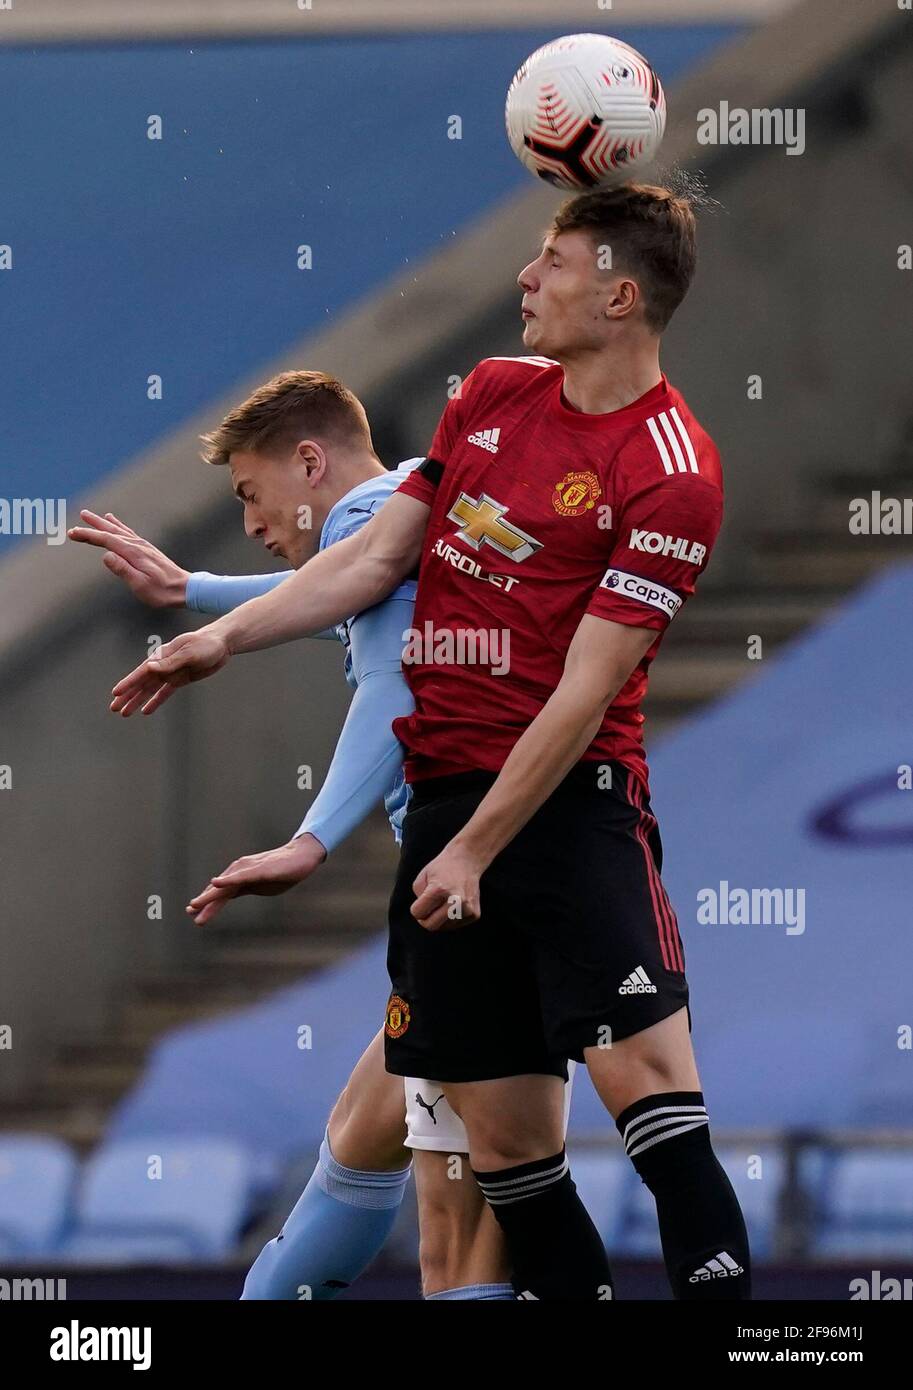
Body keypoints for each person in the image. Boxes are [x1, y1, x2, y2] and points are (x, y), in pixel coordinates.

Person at [108, 183, 751, 1301]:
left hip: (566, 810)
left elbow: (586, 691)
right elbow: (368, 564)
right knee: (508, 1154)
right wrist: (219, 641)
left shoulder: (674, 470)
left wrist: (472, 849)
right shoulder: (493, 395)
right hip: (448, 813)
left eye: (552, 261)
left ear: (620, 295)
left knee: (653, 1104)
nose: (524, 278)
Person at [71, 370, 531, 1301]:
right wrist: (193, 589)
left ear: (309, 461)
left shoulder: (370, 514)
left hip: (478, 895)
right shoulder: (426, 513)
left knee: (460, 1233)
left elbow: (392, 676)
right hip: (498, 885)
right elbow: (349, 602)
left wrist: (312, 839)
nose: (250, 521)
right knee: (379, 1154)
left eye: (250, 493)